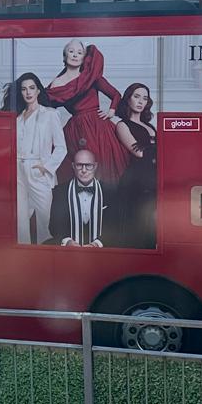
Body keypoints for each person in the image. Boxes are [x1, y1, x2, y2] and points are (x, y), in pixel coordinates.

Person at [45, 40, 128, 187]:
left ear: (84, 57)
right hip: (76, 129)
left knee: (102, 166)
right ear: (64, 57)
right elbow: (47, 107)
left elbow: (116, 95)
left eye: (79, 52)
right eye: (71, 51)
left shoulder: (90, 76)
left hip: (98, 127)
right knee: (78, 168)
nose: (75, 55)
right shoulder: (56, 83)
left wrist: (111, 111)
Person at [4, 71, 66, 244]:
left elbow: (61, 147)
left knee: (45, 220)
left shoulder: (50, 114)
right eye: (24, 89)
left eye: (32, 88)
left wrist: (45, 167)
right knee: (20, 219)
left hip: (38, 169)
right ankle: (22, 257)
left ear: (38, 90)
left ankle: (45, 256)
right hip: (17, 169)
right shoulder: (16, 117)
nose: (28, 92)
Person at [113, 82, 158, 248]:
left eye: (145, 98)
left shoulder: (150, 126)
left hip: (153, 177)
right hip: (136, 181)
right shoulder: (122, 125)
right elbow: (138, 152)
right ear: (128, 99)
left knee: (152, 225)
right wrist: (160, 149)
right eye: (136, 96)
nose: (140, 101)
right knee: (139, 225)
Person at [51, 150, 108, 246]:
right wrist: (68, 241)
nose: (84, 170)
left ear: (95, 166)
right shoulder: (60, 191)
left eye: (88, 165)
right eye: (79, 165)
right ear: (73, 166)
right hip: (69, 253)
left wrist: (96, 244)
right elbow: (53, 225)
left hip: (102, 253)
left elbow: (116, 226)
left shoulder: (110, 192)